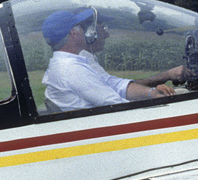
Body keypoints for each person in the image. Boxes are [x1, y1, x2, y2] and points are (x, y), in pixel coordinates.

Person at [40, 8, 185, 111]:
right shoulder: (72, 69)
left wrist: (152, 93)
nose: (85, 32)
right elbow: (117, 106)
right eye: (81, 28)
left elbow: (110, 84)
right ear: (73, 33)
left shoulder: (65, 64)